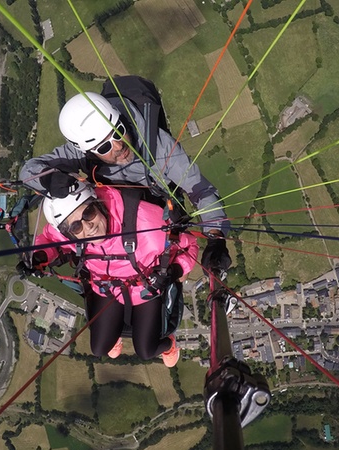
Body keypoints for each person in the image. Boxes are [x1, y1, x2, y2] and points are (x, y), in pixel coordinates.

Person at [18, 85, 231, 276]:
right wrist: (48, 180)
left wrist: (215, 236)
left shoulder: (158, 145)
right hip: (115, 216)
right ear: (88, 151)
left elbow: (199, 188)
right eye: (104, 147)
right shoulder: (81, 155)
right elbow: (28, 171)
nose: (118, 146)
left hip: (157, 211)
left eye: (118, 132)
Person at [27, 180, 198, 367]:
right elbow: (50, 240)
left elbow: (189, 245)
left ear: (97, 204)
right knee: (99, 348)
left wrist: (173, 271)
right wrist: (39, 256)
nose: (88, 226)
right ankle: (114, 333)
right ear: (69, 233)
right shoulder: (69, 233)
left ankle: (169, 345)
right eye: (76, 227)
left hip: (145, 289)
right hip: (107, 290)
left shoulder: (146, 224)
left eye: (88, 213)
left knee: (146, 350)